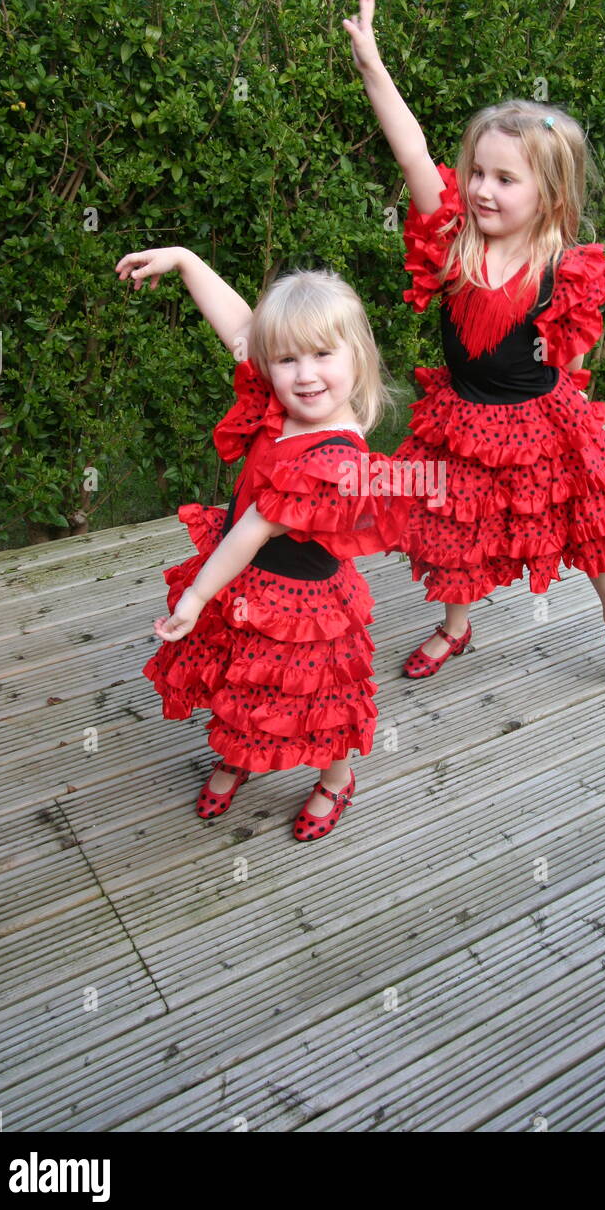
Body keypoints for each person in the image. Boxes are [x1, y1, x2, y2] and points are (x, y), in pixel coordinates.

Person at [342, 0, 605, 684]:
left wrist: (570, 436)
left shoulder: (566, 273)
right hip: (462, 419)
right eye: (478, 171)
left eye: (504, 179)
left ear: (548, 194)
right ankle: (455, 627)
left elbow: (571, 365)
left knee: (592, 523)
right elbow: (413, 151)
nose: (482, 188)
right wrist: (372, 66)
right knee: (453, 531)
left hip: (544, 421)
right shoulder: (453, 241)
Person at [115, 246, 408, 838]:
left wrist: (196, 598)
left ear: (359, 358)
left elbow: (251, 529)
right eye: (287, 358)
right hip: (247, 580)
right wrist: (184, 260)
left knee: (318, 700)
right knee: (246, 684)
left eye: (323, 355)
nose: (304, 374)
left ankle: (335, 778)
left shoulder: (332, 454)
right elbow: (240, 328)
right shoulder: (282, 397)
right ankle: (241, 755)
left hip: (303, 603)